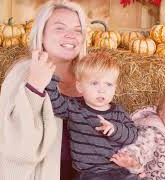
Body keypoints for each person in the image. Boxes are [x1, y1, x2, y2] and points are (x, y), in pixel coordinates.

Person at [0, 1, 87, 179]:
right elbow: (16, 146)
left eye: (77, 30)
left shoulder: (90, 77)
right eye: (60, 28)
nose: (71, 36)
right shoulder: (22, 74)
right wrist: (34, 87)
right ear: (41, 34)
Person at [32, 52, 138, 180]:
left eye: (108, 84)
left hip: (117, 169)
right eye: (94, 83)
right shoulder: (74, 108)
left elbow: (132, 135)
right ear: (80, 87)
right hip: (89, 173)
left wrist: (115, 129)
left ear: (115, 88)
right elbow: (56, 104)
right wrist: (50, 81)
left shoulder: (118, 113)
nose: (102, 89)